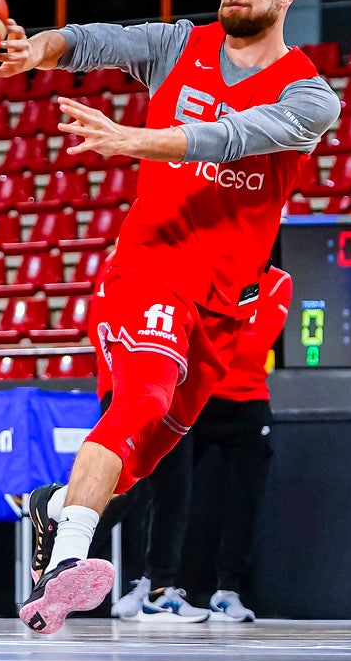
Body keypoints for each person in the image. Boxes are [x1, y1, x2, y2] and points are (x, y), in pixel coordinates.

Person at [0, 0, 341, 633]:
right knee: (144, 395)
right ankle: (65, 562)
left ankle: (52, 507)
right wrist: (39, 50)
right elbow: (96, 41)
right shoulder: (181, 45)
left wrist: (133, 139)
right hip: (149, 267)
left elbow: (233, 136)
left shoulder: (310, 97)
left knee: (139, 460)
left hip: (218, 301)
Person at [112, 264, 291, 623]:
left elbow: (253, 347)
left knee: (245, 500)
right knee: (165, 492)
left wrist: (203, 337)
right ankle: (153, 585)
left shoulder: (278, 283)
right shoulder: (205, 269)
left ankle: (227, 592)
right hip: (192, 396)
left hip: (246, 404)